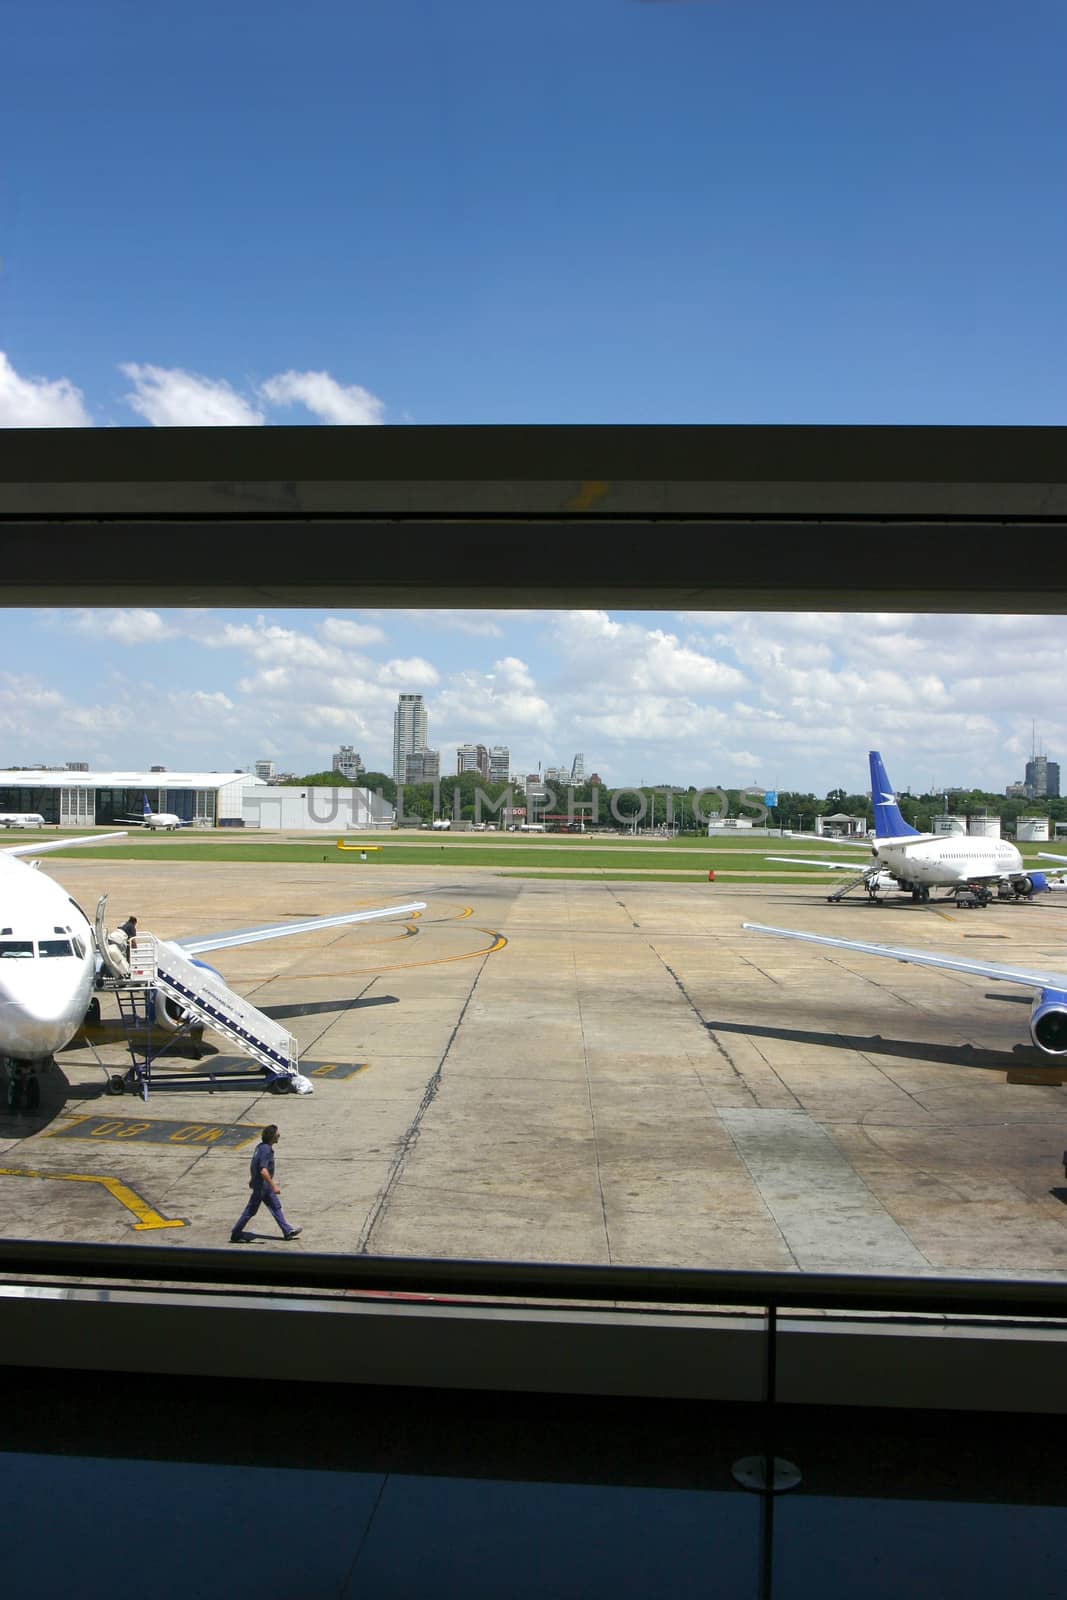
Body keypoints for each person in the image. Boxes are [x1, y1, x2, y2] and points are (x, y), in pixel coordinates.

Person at [230, 1124, 302, 1242]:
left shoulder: (260, 1147)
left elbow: (254, 1164)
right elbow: (263, 1170)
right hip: (262, 1186)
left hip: (262, 1185)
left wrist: (253, 1179)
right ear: (272, 1136)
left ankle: (287, 1231)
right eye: (277, 1133)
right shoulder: (266, 1150)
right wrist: (273, 1186)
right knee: (251, 1210)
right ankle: (236, 1234)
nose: (279, 1135)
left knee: (275, 1206)